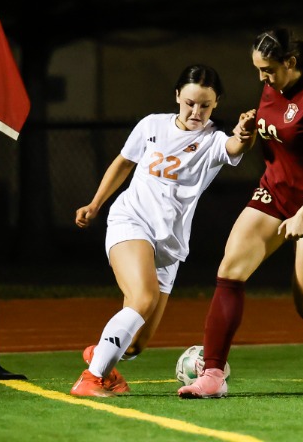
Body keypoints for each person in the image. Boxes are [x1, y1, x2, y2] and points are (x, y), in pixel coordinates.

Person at [178, 28, 303, 399]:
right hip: (274, 193)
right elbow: (274, 133)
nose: (262, 77)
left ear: (290, 62)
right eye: (258, 69)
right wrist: (247, 130)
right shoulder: (272, 87)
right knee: (230, 270)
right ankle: (213, 374)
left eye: (268, 70)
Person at [70, 64, 256, 397]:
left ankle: (103, 355)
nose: (196, 111)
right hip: (132, 222)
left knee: (136, 345)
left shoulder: (212, 140)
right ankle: (91, 378)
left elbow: (235, 147)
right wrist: (96, 204)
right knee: (143, 298)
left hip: (169, 246)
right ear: (177, 96)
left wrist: (244, 133)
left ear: (216, 103)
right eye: (189, 103)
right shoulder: (152, 125)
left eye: (205, 105)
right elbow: (124, 162)